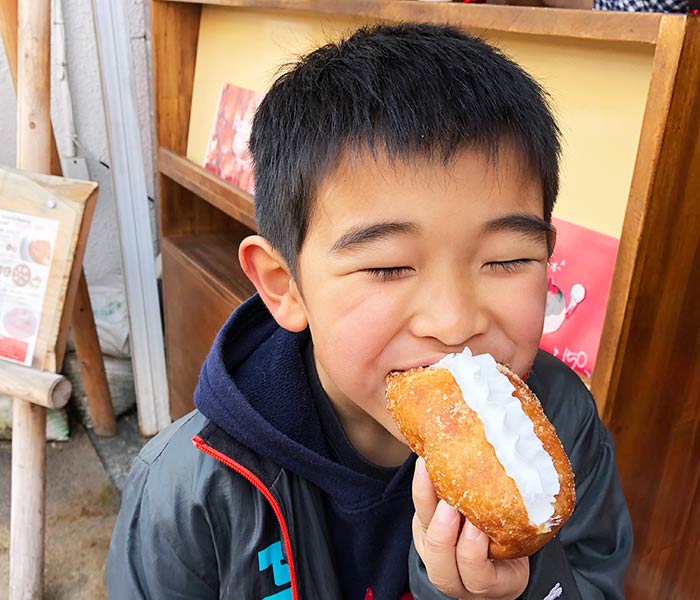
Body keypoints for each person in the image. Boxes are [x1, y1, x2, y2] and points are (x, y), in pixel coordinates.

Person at [106, 23, 632, 599]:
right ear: (286, 287)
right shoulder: (194, 487)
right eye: (388, 268)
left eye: (507, 259)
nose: (455, 323)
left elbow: (596, 579)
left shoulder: (560, 424)